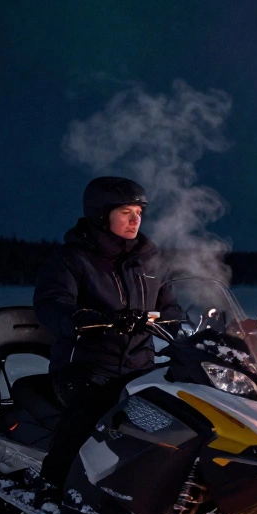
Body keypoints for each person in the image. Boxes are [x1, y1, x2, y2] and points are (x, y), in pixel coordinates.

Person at [34, 176, 178, 495]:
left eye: (139, 211)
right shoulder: (72, 258)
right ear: (100, 214)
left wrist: (176, 324)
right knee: (90, 413)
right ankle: (51, 492)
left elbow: (171, 308)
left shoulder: (151, 261)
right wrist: (84, 318)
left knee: (182, 415)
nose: (135, 219)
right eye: (126, 211)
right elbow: (51, 303)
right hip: (85, 368)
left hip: (140, 369)